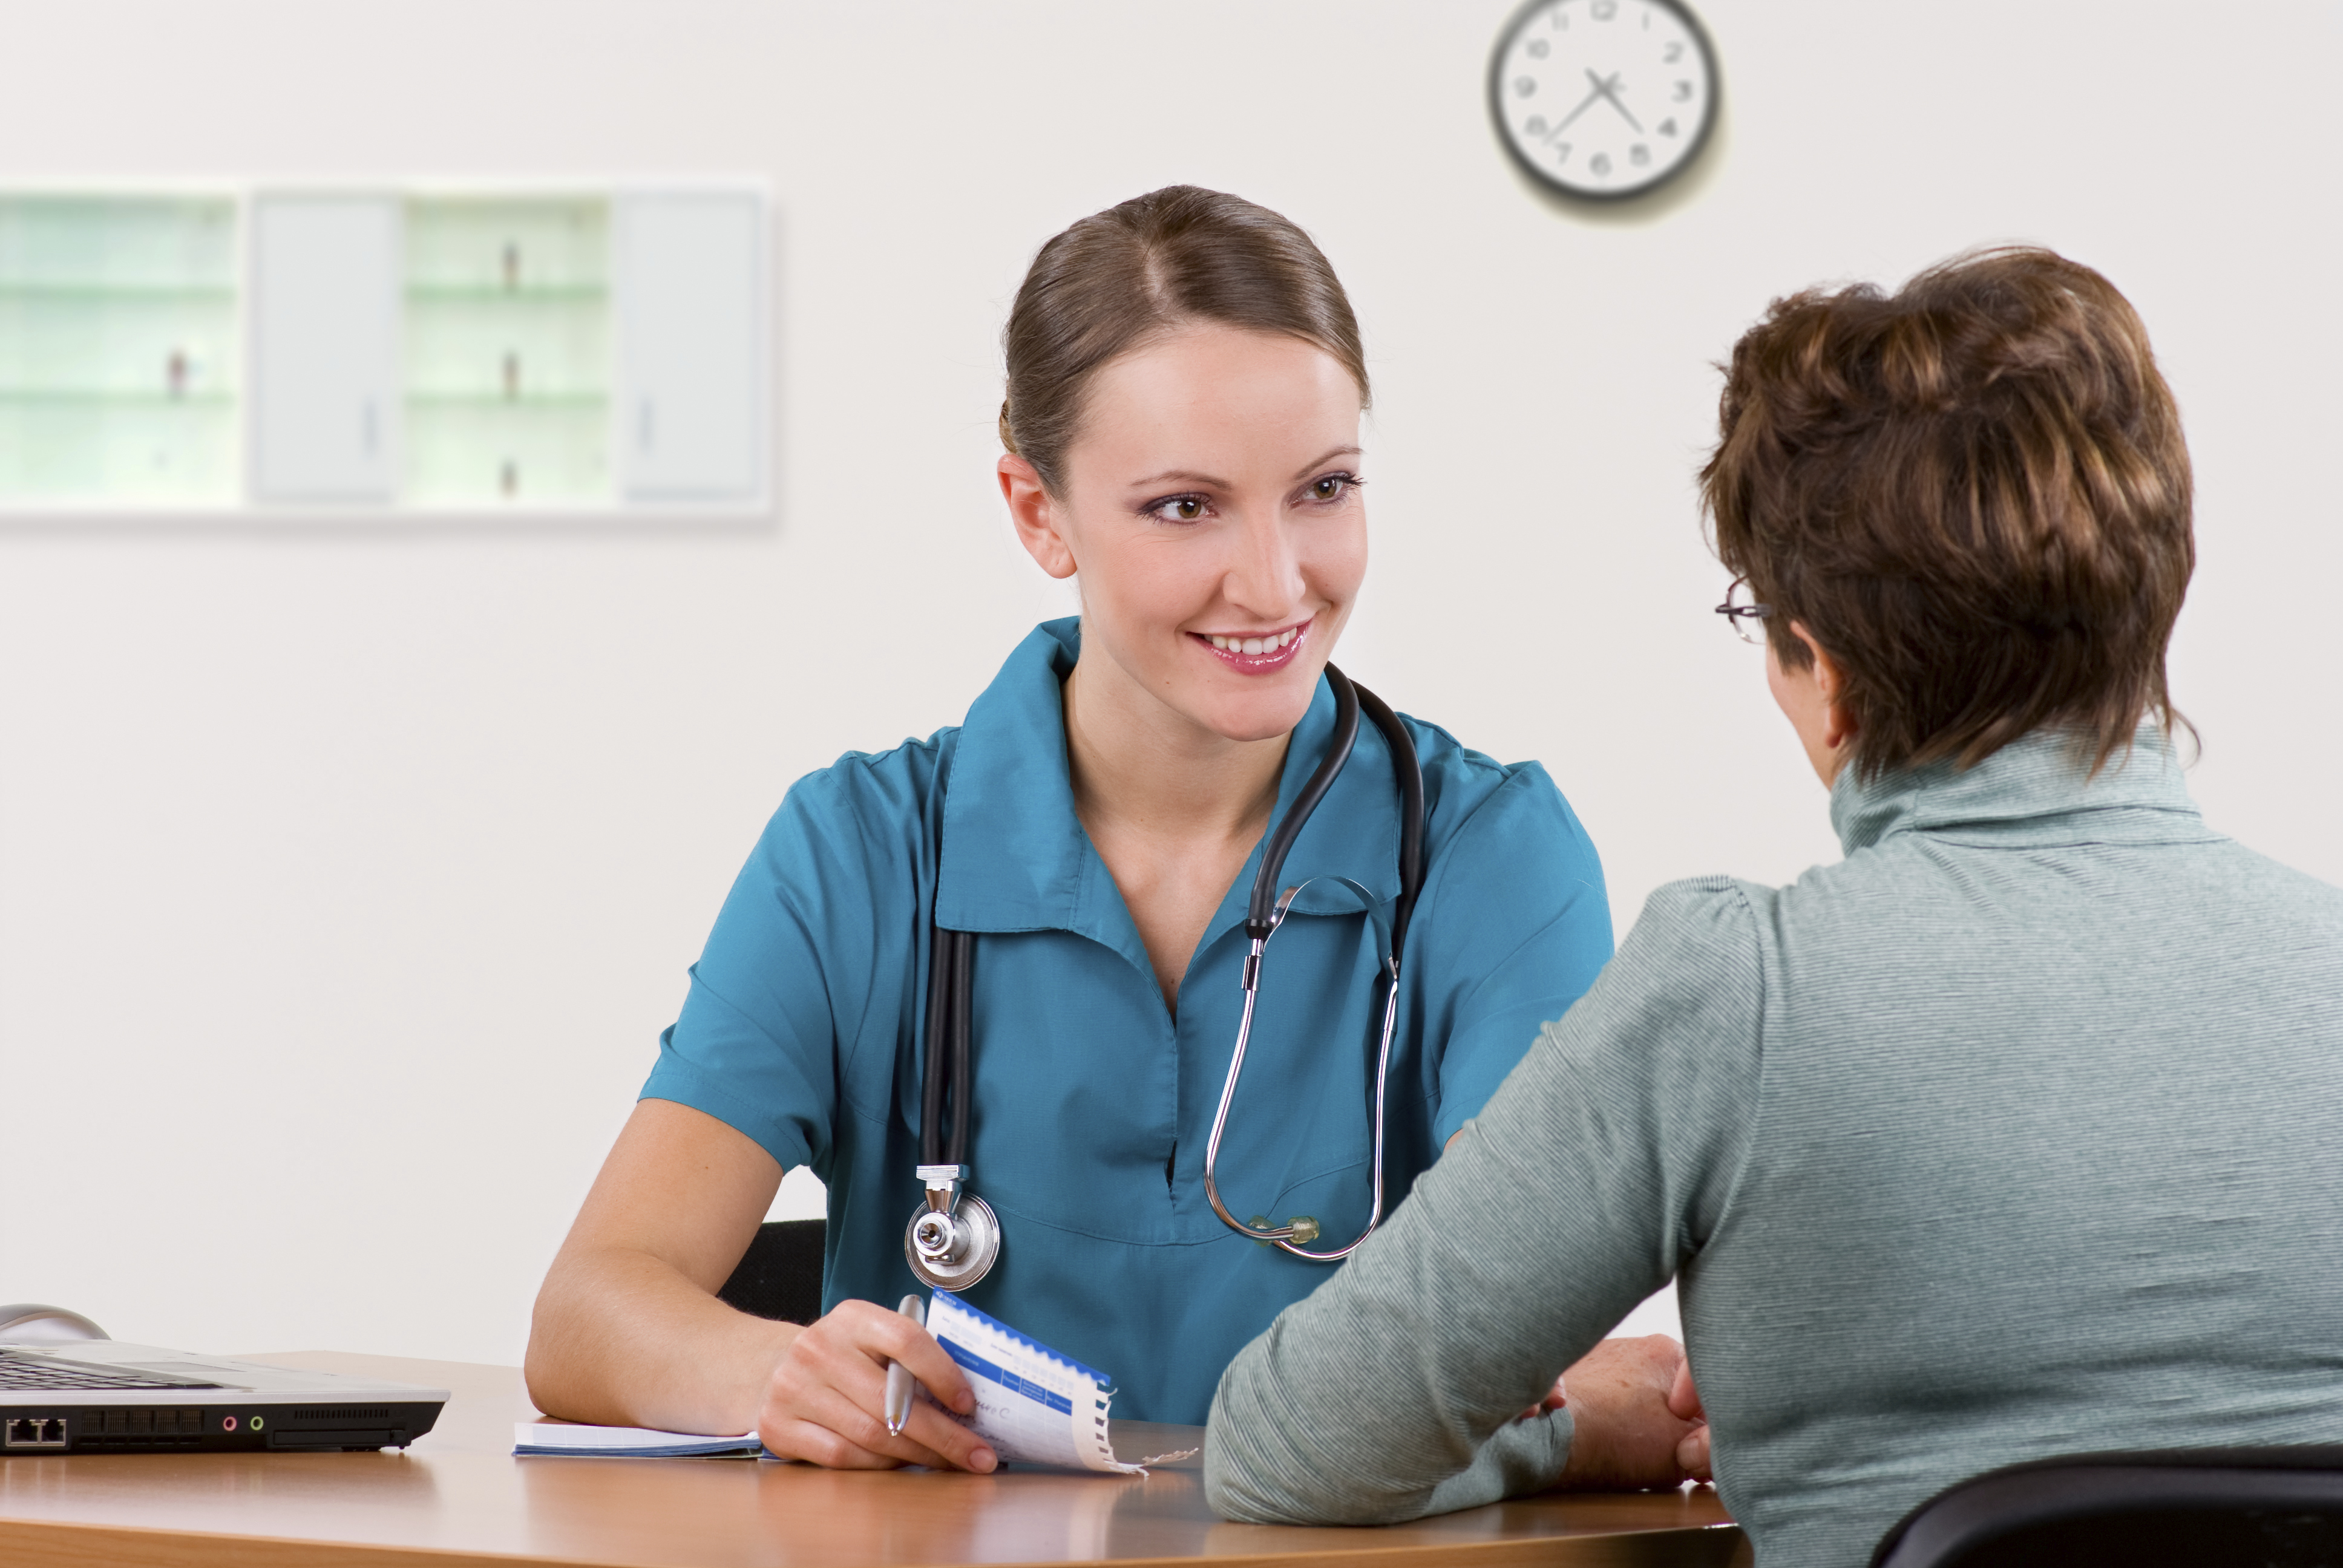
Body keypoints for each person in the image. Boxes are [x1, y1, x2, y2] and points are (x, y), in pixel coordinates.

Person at [1203, 247, 2343, 1565]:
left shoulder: (1738, 994)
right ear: (2156, 603)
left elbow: (1291, 1448)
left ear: (1827, 674)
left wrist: (1577, 1437)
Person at [524, 186, 1625, 1472]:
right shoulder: (863, 855)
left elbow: (1521, 1328)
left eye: (1323, 489)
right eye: (1185, 507)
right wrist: (773, 1373)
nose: (1276, 582)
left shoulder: (1493, 859)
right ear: (1038, 512)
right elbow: (588, 1313)